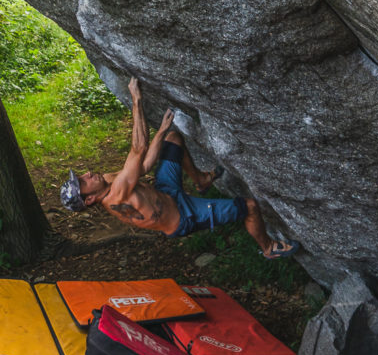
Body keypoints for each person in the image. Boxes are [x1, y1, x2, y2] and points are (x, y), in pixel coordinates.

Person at [60, 77, 298, 259]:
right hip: (184, 216)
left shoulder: (110, 180)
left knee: (173, 138)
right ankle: (268, 248)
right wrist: (136, 100)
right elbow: (138, 147)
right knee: (250, 206)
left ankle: (201, 180)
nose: (86, 174)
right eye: (82, 182)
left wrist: (162, 131)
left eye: (80, 176)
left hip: (166, 191)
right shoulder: (115, 196)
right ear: (89, 199)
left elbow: (142, 166)